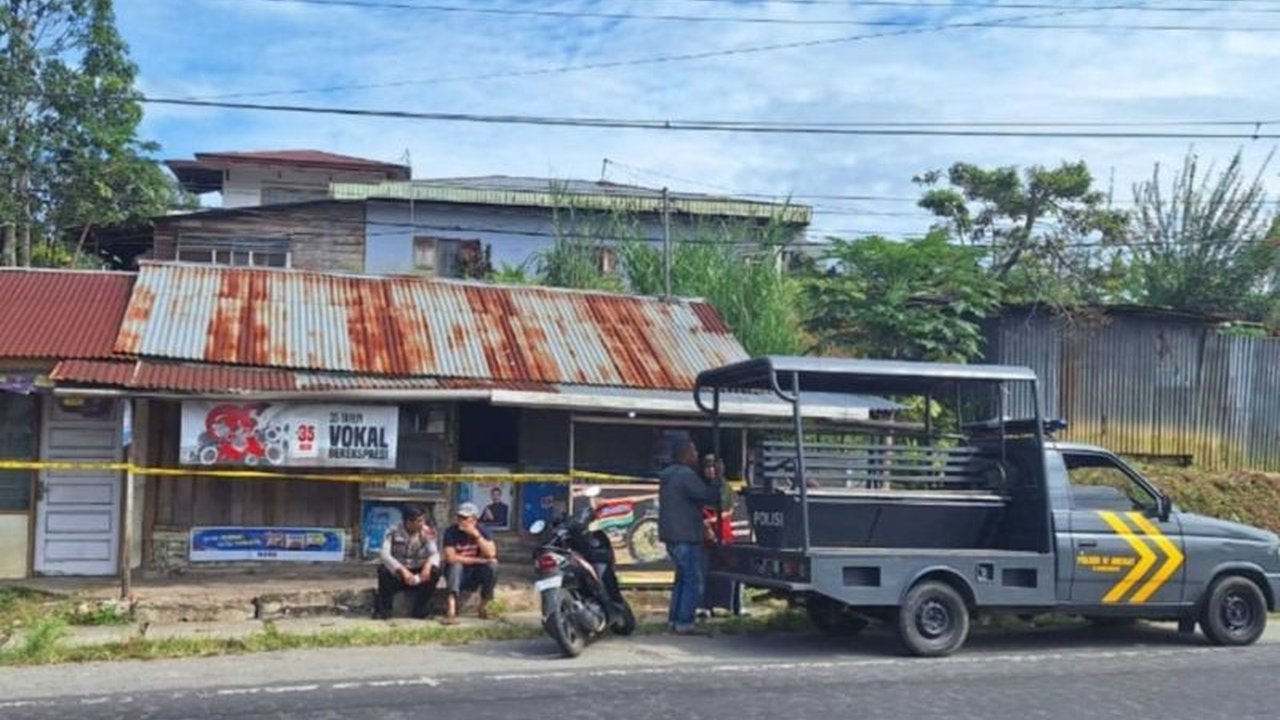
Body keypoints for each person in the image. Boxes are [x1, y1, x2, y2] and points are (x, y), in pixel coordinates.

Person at [659, 439, 722, 635]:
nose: (696, 455)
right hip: (686, 535)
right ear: (685, 454)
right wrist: (716, 478)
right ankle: (684, 622)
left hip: (671, 534)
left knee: (681, 579)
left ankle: (674, 620)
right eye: (693, 451)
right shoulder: (685, 475)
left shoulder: (668, 475)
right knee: (693, 581)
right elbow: (708, 497)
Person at [375, 504, 441, 620]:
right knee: (383, 570)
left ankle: (421, 610)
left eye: (423, 520)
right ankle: (385, 611)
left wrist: (428, 565)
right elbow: (384, 555)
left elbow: (434, 553)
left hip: (419, 574)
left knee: (435, 571)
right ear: (409, 522)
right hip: (400, 574)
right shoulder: (392, 531)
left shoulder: (427, 531)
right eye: (419, 521)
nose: (422, 523)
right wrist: (402, 570)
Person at [441, 502, 499, 624]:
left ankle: (483, 606)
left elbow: (491, 554)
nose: (460, 521)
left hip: (475, 573)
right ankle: (451, 609)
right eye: (459, 517)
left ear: (474, 519)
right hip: (457, 574)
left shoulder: (483, 531)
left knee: (493, 566)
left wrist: (476, 536)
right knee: (456, 566)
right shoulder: (451, 531)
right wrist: (480, 560)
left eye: (464, 518)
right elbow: (451, 557)